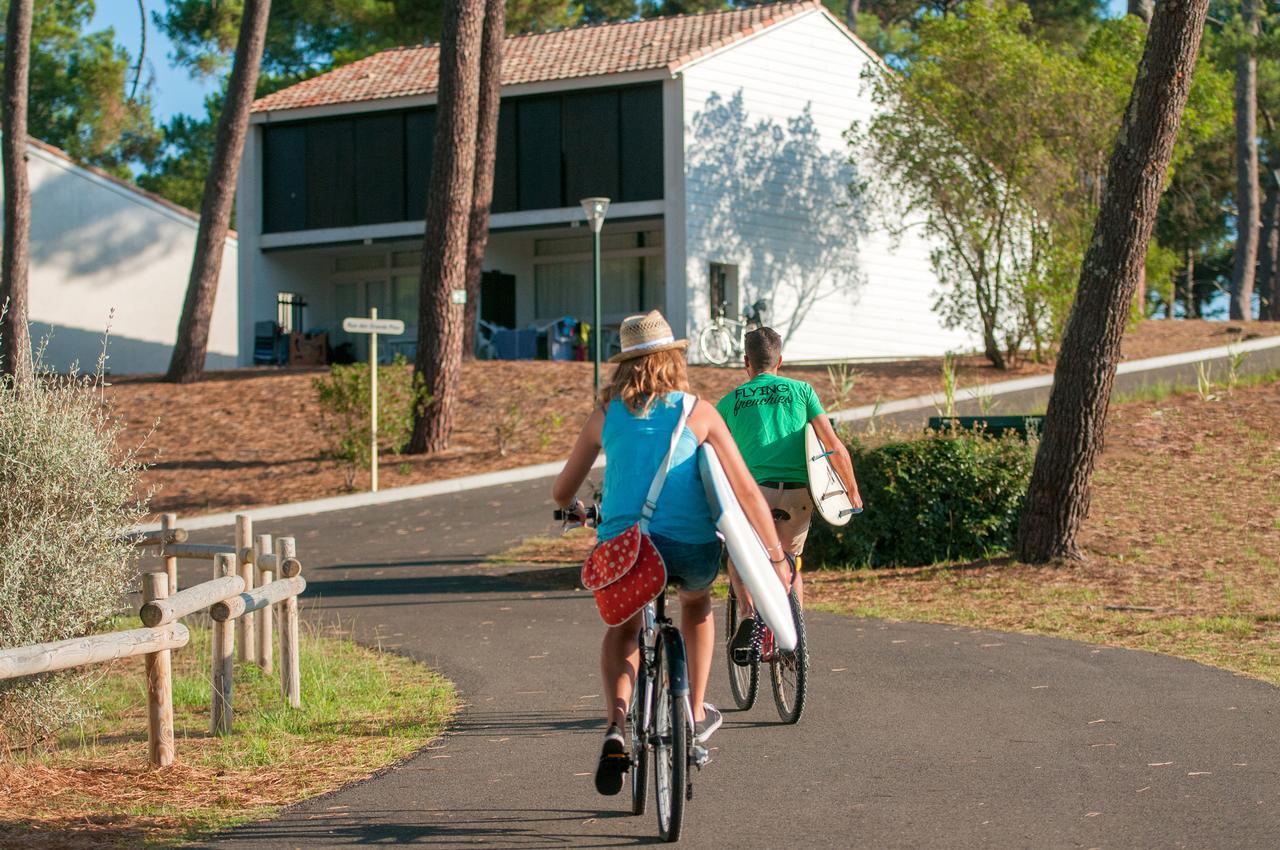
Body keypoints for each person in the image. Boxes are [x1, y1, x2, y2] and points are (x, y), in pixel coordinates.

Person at [552, 310, 790, 797]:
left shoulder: (606, 415)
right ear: (672, 359)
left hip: (627, 548)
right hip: (690, 546)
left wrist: (577, 509)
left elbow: (561, 493)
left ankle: (617, 726)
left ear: (624, 364)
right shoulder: (698, 410)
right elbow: (745, 491)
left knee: (624, 629)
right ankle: (695, 709)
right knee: (697, 605)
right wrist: (775, 556)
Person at [715, 326, 862, 657]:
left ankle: (749, 616)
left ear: (745, 362)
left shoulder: (728, 402)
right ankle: (792, 636)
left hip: (754, 496)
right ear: (779, 360)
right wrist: (852, 493)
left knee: (739, 559)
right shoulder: (803, 391)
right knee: (790, 561)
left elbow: (717, 458)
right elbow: (833, 446)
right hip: (798, 494)